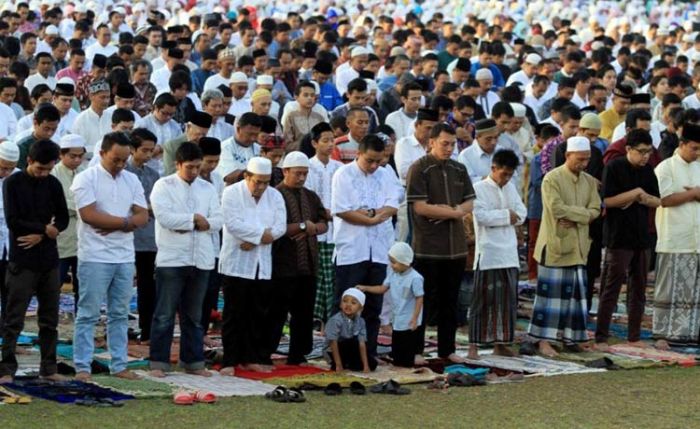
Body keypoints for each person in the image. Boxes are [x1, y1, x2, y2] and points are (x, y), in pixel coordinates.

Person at [71, 132, 149, 381]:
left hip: (124, 256)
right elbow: (89, 216)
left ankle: (119, 364)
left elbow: (143, 217)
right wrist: (127, 222)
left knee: (119, 313)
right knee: (88, 313)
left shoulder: (132, 180)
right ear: (102, 153)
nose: (120, 165)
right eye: (115, 159)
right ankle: (82, 366)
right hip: (94, 255)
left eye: (124, 160)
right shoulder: (86, 178)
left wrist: (117, 223)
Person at [149, 142, 223, 377]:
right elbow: (165, 218)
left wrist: (203, 223)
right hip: (172, 259)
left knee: (195, 315)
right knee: (164, 314)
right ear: (177, 164)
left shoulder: (207, 188)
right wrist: (194, 220)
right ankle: (159, 362)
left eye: (197, 167)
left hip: (201, 258)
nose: (194, 172)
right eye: (189, 167)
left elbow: (219, 220)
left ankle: (192, 361)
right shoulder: (164, 185)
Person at [0, 140, 68, 384]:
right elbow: (13, 220)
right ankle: (7, 368)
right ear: (28, 161)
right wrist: (44, 228)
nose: (43, 174)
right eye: (40, 169)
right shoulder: (12, 183)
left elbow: (62, 217)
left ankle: (48, 367)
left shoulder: (53, 183)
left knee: (50, 319)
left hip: (48, 259)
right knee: (14, 318)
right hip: (22, 259)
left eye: (48, 169)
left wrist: (46, 232)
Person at [406, 123, 475, 363]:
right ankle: (415, 351)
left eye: (452, 144)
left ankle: (447, 349)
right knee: (423, 300)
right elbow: (420, 207)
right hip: (428, 247)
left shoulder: (459, 168)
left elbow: (469, 203)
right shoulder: (419, 168)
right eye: (444, 143)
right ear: (431, 142)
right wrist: (454, 212)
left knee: (450, 301)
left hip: (455, 247)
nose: (449, 148)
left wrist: (453, 212)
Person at [528, 136, 601, 357]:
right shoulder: (552, 179)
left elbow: (596, 209)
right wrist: (584, 215)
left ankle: (571, 339)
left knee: (574, 298)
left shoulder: (589, 181)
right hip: (556, 245)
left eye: (587, 160)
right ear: (568, 155)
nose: (584, 164)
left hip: (579, 246)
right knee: (551, 298)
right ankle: (544, 341)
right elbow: (556, 208)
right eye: (580, 159)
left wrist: (580, 217)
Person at [331, 134, 400, 361]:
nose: (373, 166)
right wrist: (370, 217)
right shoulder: (343, 174)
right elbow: (342, 209)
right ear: (358, 153)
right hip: (352, 249)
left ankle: (367, 355)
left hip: (379, 249)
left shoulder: (385, 173)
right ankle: (341, 356)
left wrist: (369, 213)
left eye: (378, 161)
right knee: (347, 306)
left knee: (372, 307)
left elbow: (392, 205)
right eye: (369, 160)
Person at [218, 157, 287, 374]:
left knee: (257, 313)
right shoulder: (231, 192)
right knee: (234, 313)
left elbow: (280, 226)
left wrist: (257, 239)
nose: (262, 187)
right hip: (236, 262)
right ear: (247, 176)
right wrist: (260, 235)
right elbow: (232, 223)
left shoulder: (274, 195)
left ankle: (251, 357)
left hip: (262, 263)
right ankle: (229, 360)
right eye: (258, 182)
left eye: (266, 182)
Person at [595, 130, 660, 350]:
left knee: (639, 288)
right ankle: (601, 336)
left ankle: (634, 335)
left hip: (641, 236)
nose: (645, 157)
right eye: (641, 152)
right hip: (618, 236)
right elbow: (608, 201)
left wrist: (643, 197)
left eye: (648, 152)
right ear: (628, 149)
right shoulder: (614, 167)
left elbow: (656, 200)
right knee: (612, 287)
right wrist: (635, 194)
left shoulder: (648, 170)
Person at [270, 151, 328, 364]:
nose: (302, 178)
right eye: (298, 173)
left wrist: (313, 228)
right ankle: (266, 352)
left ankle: (298, 354)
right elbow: (274, 228)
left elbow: (324, 221)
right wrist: (301, 226)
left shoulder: (311, 196)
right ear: (285, 171)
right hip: (282, 265)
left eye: (305, 173)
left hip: (308, 265)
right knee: (276, 312)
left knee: (304, 313)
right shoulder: (274, 195)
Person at [468, 149, 526, 359]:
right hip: (488, 252)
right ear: (493, 168)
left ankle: (501, 343)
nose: (507, 178)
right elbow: (482, 216)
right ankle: (473, 345)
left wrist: (507, 216)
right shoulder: (478, 188)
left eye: (510, 174)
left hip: (509, 252)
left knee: (507, 302)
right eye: (504, 174)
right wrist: (506, 215)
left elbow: (521, 213)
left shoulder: (510, 188)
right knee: (482, 301)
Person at [652, 124, 700, 348]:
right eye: (694, 148)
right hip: (674, 236)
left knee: (694, 290)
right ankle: (663, 334)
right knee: (669, 288)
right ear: (682, 145)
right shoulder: (665, 168)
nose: (697, 153)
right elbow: (664, 199)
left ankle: (691, 333)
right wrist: (693, 193)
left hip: (696, 238)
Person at [357, 242, 425, 367]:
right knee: (397, 344)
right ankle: (398, 364)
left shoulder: (415, 278)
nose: (391, 265)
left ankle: (407, 367)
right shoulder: (393, 274)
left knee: (407, 346)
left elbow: (419, 298)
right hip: (398, 317)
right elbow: (382, 289)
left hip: (409, 320)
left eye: (394, 262)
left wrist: (415, 318)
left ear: (405, 262)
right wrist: (366, 288)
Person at [305, 123, 343, 322]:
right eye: (325, 140)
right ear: (314, 143)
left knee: (333, 276)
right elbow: (309, 199)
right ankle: (316, 317)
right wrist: (325, 213)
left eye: (332, 140)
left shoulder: (340, 168)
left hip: (337, 229)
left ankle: (330, 316)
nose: (330, 144)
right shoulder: (308, 168)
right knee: (319, 276)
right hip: (317, 228)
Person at [125, 129, 159, 343]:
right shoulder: (123, 172)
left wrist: (147, 209)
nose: (148, 155)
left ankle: (147, 329)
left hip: (148, 238)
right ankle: (118, 330)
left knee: (148, 286)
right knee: (121, 285)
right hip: (126, 235)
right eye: (144, 150)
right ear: (132, 149)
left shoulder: (153, 175)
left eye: (151, 151)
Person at [52, 134, 86, 314]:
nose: (77, 160)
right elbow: (59, 204)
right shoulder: (54, 173)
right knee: (55, 282)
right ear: (61, 155)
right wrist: (82, 208)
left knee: (82, 284)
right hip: (62, 237)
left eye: (80, 156)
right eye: (73, 156)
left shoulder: (83, 173)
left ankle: (81, 317)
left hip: (82, 236)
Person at [324, 288, 375, 372]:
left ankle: (349, 363)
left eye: (353, 303)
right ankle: (341, 363)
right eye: (345, 301)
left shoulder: (361, 321)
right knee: (349, 345)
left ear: (360, 308)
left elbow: (361, 343)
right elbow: (333, 342)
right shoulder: (335, 320)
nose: (348, 305)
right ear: (340, 304)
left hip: (348, 347)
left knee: (372, 364)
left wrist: (366, 365)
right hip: (334, 350)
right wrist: (338, 365)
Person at [0, 142, 19, 339]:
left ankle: (7, 333)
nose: (6, 172)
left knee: (10, 291)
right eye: (3, 167)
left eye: (10, 168)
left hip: (13, 245)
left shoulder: (19, 178)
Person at [161, 110, 212, 175]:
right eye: (197, 134)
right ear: (188, 127)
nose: (200, 138)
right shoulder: (172, 146)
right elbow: (170, 172)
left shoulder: (207, 145)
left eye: (204, 135)